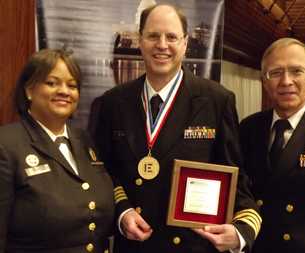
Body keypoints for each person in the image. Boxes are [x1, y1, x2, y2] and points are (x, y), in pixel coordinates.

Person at [91, 4, 261, 253]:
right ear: (140, 41)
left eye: (171, 36)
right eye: (152, 36)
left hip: (193, 245)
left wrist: (241, 231)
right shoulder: (113, 102)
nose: (162, 45)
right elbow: (102, 173)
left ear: (185, 43)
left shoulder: (216, 100)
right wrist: (123, 211)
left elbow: (234, 176)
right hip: (136, 245)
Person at [0, 49, 115, 252]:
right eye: (52, 83)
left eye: (72, 85)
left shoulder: (85, 141)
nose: (64, 91)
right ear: (29, 90)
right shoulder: (7, 145)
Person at [240, 37, 305, 253]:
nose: (286, 81)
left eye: (296, 71)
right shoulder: (248, 128)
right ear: (264, 80)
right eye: (276, 73)